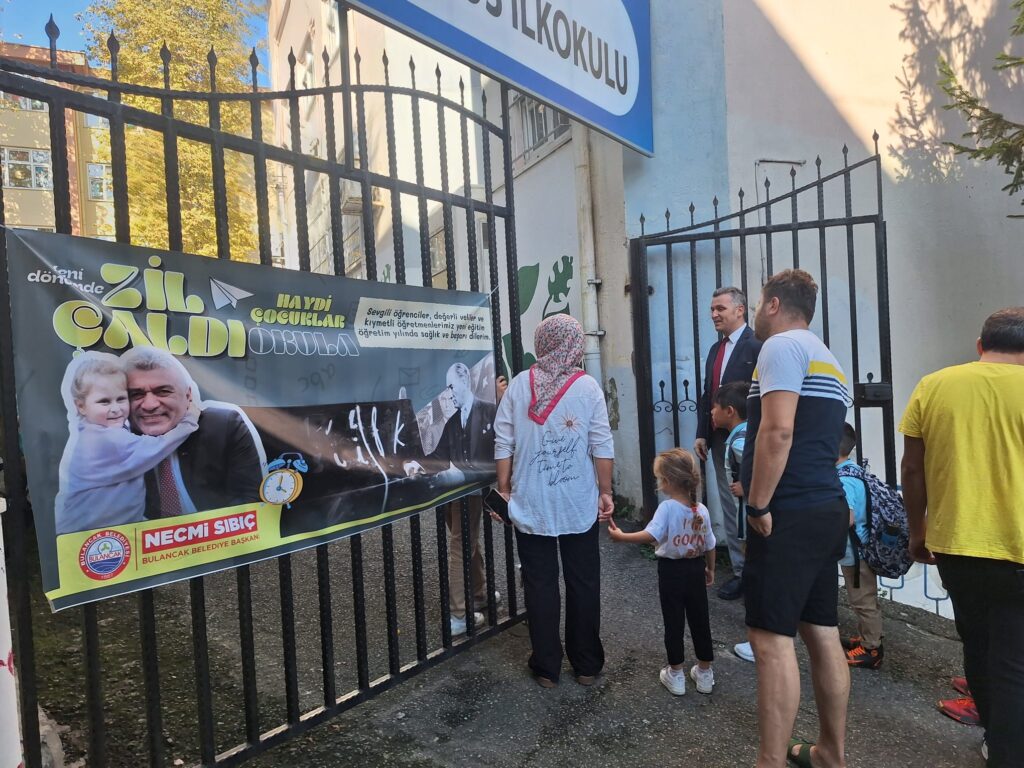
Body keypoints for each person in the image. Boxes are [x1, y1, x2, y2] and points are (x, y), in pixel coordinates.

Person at [900, 307, 1024, 767]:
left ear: (980, 345)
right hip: (1017, 549)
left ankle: (995, 737)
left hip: (955, 545)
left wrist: (917, 531)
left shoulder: (934, 385)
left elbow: (912, 468)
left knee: (977, 643)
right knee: (1014, 661)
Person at [740, 269, 853, 768]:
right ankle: (830, 753)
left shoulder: (781, 347)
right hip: (824, 506)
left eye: (757, 302)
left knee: (769, 638)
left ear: (773, 304)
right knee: (821, 629)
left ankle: (770, 762)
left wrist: (759, 503)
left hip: (788, 510)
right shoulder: (828, 357)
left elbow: (778, 431)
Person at [494, 314, 614, 687]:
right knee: (584, 581)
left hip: (531, 499)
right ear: (574, 345)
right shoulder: (588, 387)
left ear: (542, 343)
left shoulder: (518, 385)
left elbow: (503, 442)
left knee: (540, 583)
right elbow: (601, 444)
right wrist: (606, 491)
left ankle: (547, 667)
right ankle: (586, 665)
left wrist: (504, 490)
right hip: (577, 500)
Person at [607, 448, 716, 695]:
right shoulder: (701, 510)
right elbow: (710, 544)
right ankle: (705, 671)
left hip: (671, 571)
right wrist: (710, 568)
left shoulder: (667, 508)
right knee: (700, 619)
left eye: (659, 478)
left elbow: (651, 535)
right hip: (696, 568)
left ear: (667, 481)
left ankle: (676, 673)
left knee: (674, 620)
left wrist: (622, 537)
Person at [55, 352, 198, 534]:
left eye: (121, 399)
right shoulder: (105, 440)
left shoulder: (92, 430)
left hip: (107, 528)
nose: (116, 409)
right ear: (81, 406)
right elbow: (159, 446)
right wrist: (189, 421)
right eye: (104, 402)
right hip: (90, 534)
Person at [122, 346, 264, 518]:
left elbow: (250, 503)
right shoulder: (118, 444)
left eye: (163, 391)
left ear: (188, 395)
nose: (149, 405)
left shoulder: (224, 427)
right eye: (136, 394)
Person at [694, 287, 762, 601]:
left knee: (755, 502)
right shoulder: (715, 349)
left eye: (720, 308)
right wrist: (703, 433)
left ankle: (760, 571)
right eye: (712, 309)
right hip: (720, 440)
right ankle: (741, 572)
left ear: (740, 310)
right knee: (730, 506)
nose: (714, 315)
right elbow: (708, 394)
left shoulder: (757, 345)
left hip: (752, 441)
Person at [432, 364, 507, 636]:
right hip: (453, 489)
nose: (449, 393)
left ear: (466, 383)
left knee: (462, 542)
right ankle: (471, 600)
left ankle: (464, 608)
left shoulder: (488, 408)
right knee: (464, 541)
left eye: (452, 387)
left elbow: (506, 433)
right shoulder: (453, 420)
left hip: (473, 487)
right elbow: (439, 454)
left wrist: (500, 403)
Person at [711, 381, 756, 663]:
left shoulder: (740, 441)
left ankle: (760, 636)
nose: (711, 412)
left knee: (756, 575)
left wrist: (747, 486)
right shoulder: (749, 432)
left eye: (715, 407)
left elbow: (764, 464)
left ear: (730, 411)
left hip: (752, 520)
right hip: (754, 518)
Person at [835, 423, 884, 669]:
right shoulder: (854, 470)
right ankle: (867, 637)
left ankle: (871, 649)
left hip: (855, 551)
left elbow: (848, 518)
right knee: (865, 598)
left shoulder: (843, 480)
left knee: (862, 601)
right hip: (863, 546)